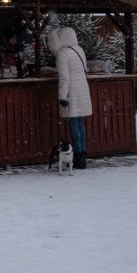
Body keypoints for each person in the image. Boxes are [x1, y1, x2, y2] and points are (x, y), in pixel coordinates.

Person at [48, 26, 92, 169]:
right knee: (80, 124)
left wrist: (62, 96)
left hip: (71, 91)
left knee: (73, 123)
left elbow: (64, 78)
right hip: (83, 89)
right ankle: (82, 156)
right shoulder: (79, 50)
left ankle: (77, 157)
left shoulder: (63, 54)